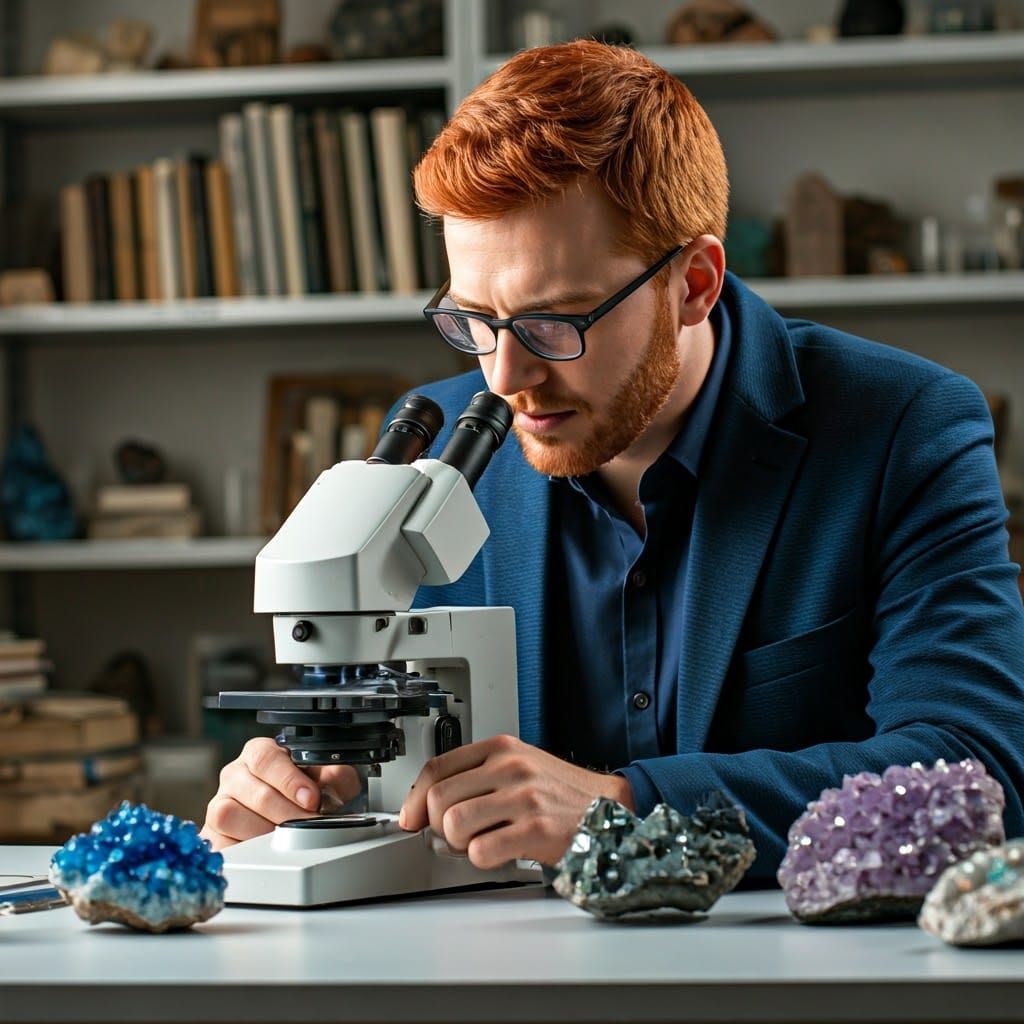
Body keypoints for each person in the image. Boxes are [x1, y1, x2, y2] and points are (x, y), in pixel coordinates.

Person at [202, 40, 1024, 878]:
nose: (505, 376)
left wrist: (625, 808)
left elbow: (974, 771)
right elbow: (374, 751)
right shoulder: (441, 446)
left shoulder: (903, 428)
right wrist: (303, 795)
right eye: (472, 319)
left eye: (556, 323)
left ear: (695, 284)